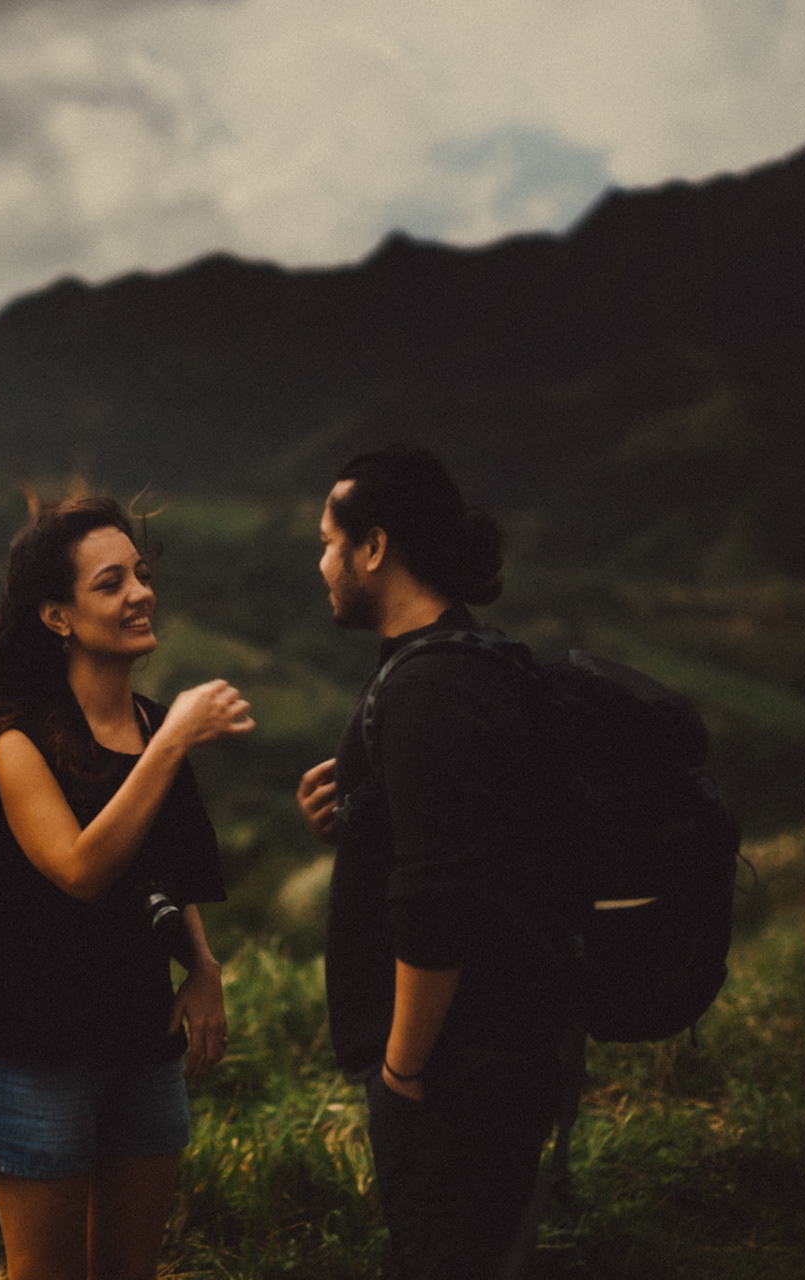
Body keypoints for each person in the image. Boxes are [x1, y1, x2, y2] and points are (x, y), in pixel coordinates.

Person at [0, 496, 253, 1280]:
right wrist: (175, 740)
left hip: (142, 1040)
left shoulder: (150, 726)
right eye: (111, 584)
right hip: (31, 1053)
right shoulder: (18, 742)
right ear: (58, 617)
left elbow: (167, 870)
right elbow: (81, 867)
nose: (140, 594)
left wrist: (203, 968)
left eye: (141, 576)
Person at [295, 444, 578, 1279]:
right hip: (490, 1047)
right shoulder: (453, 665)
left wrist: (402, 1068)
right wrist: (355, 822)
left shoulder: (430, 691)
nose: (321, 564)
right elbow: (464, 840)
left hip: (456, 1067)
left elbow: (437, 899)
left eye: (327, 540)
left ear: (374, 547)